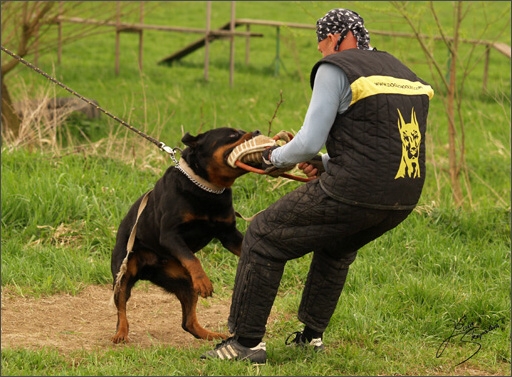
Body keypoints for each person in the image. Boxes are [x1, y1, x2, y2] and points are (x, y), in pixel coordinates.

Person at [201, 8, 434, 363]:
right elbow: (384, 148)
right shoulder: (404, 72)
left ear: (340, 37)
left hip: (357, 189)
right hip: (404, 195)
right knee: (336, 245)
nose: (322, 52)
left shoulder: (336, 68)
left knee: (264, 235)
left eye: (323, 43)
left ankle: (246, 344)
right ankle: (310, 338)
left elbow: (308, 141)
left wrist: (274, 157)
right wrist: (326, 163)